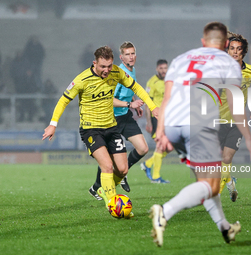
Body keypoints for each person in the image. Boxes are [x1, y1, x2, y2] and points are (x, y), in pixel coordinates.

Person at [149, 21, 251, 247]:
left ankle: (225, 227)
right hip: (199, 125)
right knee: (212, 185)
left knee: (205, 180)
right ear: (225, 45)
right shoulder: (228, 64)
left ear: (202, 41)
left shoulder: (181, 59)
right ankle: (164, 212)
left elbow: (166, 99)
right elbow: (234, 104)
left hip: (172, 124)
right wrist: (248, 138)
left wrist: (161, 132)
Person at [42, 46, 158, 217]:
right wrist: (53, 124)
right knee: (107, 166)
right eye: (103, 67)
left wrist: (153, 106)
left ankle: (105, 190)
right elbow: (63, 101)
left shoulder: (117, 72)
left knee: (123, 169)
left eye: (109, 66)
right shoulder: (82, 79)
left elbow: (137, 88)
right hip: (91, 130)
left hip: (111, 127)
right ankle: (113, 205)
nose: (107, 70)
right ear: (94, 63)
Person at [88, 41, 149, 199]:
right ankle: (96, 188)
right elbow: (108, 98)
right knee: (107, 158)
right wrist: (130, 103)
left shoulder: (132, 70)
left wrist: (134, 103)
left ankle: (122, 173)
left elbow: (129, 87)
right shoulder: (115, 73)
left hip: (125, 116)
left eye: (133, 53)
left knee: (143, 148)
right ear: (121, 58)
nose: (131, 57)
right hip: (112, 118)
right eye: (127, 54)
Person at [219, 33, 251, 201]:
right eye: (232, 49)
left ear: (244, 52)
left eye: (239, 49)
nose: (235, 52)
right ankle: (229, 181)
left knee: (226, 157)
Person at [140, 59, 170, 183]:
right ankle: (156, 176)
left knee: (169, 146)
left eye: (165, 68)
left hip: (168, 117)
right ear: (157, 69)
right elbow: (147, 104)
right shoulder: (152, 82)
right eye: (161, 68)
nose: (164, 71)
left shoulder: (170, 81)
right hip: (157, 117)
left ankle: (148, 164)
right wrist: (148, 122)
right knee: (160, 146)